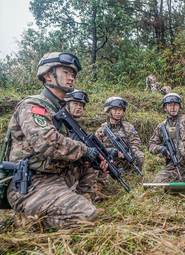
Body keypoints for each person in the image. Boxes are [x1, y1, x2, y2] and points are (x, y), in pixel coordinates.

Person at [3, 52, 108, 229]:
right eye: (66, 72)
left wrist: (92, 157)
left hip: (54, 176)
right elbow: (47, 142)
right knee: (87, 216)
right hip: (29, 183)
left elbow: (69, 149)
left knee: (89, 161)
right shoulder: (33, 105)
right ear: (47, 75)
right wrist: (84, 150)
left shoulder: (58, 109)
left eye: (73, 74)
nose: (71, 77)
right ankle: (28, 219)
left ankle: (78, 200)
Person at [95, 97, 145, 191]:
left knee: (140, 155)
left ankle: (133, 174)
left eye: (120, 109)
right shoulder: (101, 131)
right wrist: (112, 152)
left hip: (126, 159)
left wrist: (130, 152)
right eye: (115, 109)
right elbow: (97, 149)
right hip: (110, 161)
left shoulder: (128, 127)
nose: (118, 112)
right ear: (108, 111)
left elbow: (136, 143)